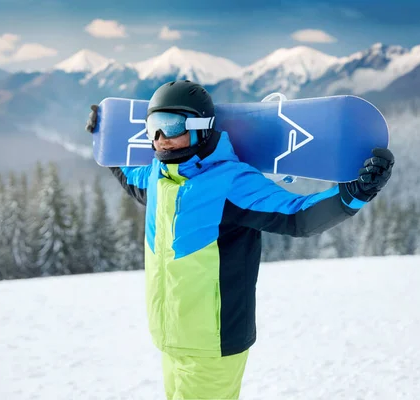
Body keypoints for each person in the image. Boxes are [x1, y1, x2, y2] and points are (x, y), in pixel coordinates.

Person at [85, 80, 394, 399]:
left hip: (213, 345)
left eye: (172, 126)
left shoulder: (230, 183)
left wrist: (357, 192)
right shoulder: (157, 177)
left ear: (200, 128)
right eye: (154, 128)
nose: (161, 139)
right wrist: (104, 134)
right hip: (168, 340)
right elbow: (128, 176)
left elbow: (298, 216)